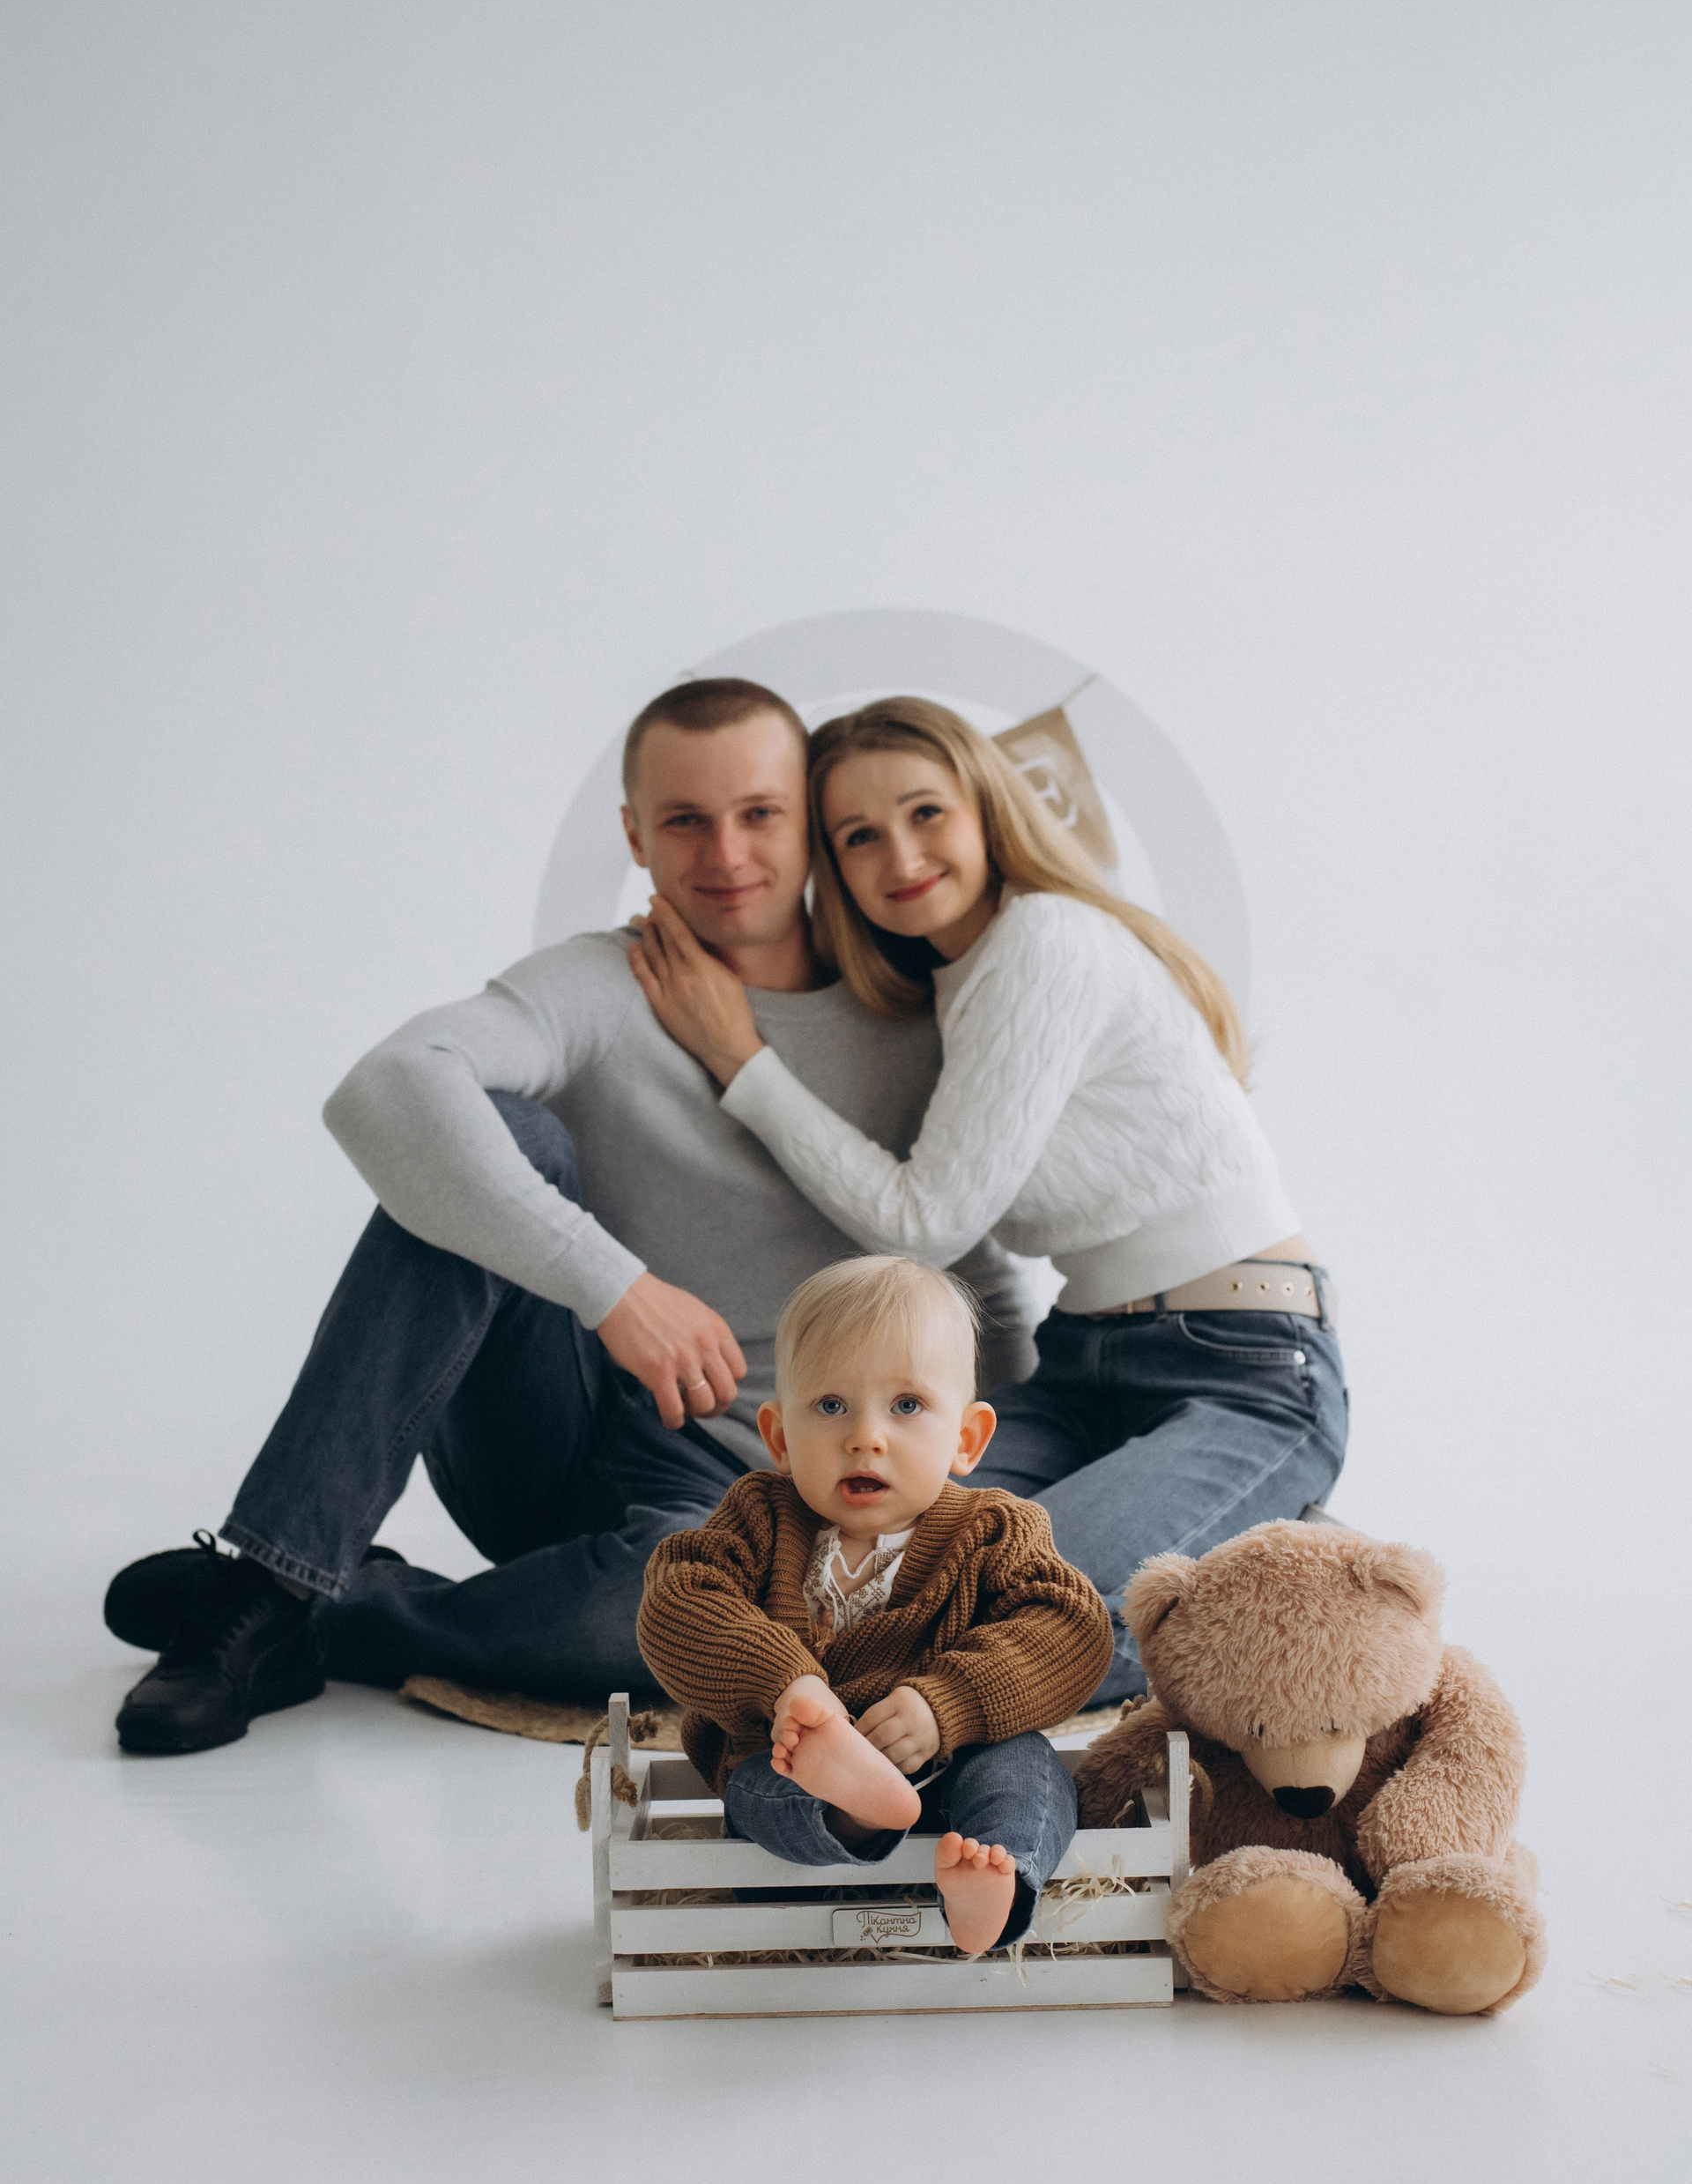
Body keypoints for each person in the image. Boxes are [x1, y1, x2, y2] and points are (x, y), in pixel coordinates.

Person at [104, 680, 1037, 1756]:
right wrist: (615, 1289)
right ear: (635, 835)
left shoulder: (914, 1008)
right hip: (568, 1436)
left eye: (760, 814)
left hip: (767, 1509)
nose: (726, 853)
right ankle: (268, 1578)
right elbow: (385, 1087)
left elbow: (963, 1255)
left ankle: (331, 1608)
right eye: (685, 820)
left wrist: (988, 1477)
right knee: (487, 1139)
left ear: (814, 824)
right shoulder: (605, 986)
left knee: (677, 1631)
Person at [628, 694, 1349, 1694]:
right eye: (858, 836)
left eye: (926, 812)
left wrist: (738, 1058)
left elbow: (926, 1222)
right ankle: (1222, 1551)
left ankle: (1293, 1602)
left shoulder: (1044, 939)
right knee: (853, 1568)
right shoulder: (952, 984)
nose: (901, 855)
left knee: (1030, 1615)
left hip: (1243, 1368)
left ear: (986, 811)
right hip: (1085, 1360)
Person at [637, 1256, 1113, 1951]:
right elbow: (679, 1599)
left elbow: (1070, 1627)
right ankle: (851, 1813)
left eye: (906, 1405)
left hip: (956, 1762)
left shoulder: (994, 1529)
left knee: (1025, 1770)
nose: (865, 1436)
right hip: (797, 1767)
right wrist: (788, 1688)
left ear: (966, 1440)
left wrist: (946, 1704)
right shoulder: (759, 1516)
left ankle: (995, 1879)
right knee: (757, 1788)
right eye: (831, 1406)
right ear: (780, 1439)